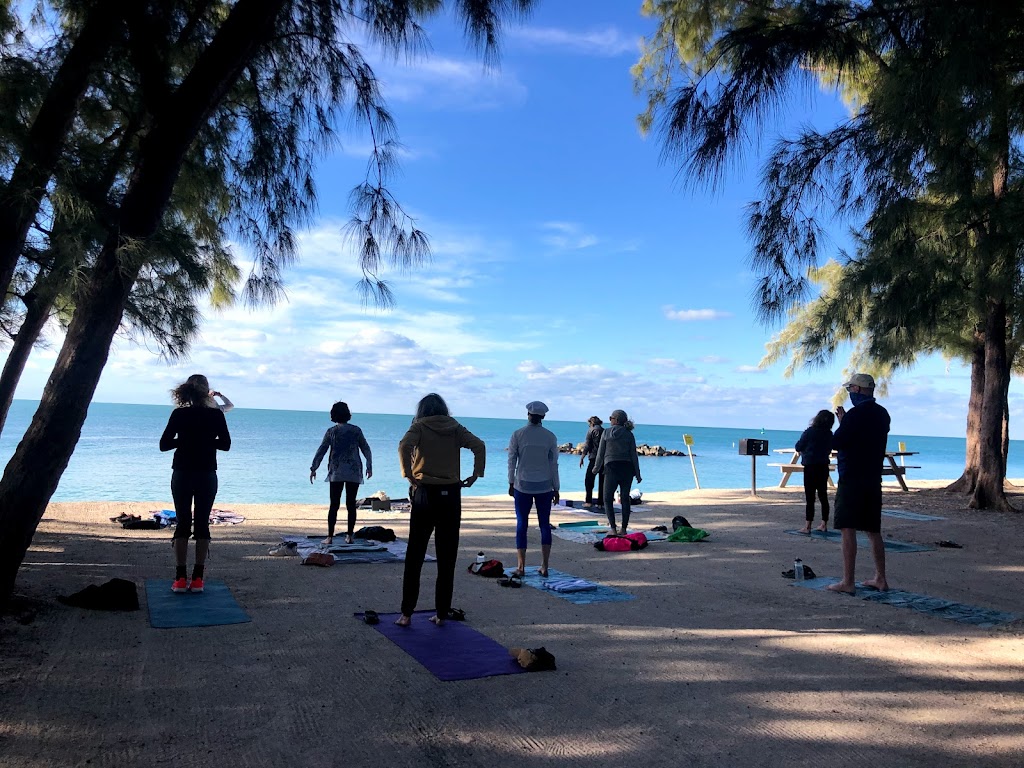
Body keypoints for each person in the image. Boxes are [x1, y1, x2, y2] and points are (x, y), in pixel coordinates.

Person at [396, 393, 486, 627]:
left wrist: (408, 474)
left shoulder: (419, 426)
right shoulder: (454, 427)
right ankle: (441, 613)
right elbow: (479, 445)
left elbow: (404, 446)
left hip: (425, 492)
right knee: (447, 557)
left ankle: (406, 614)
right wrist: (476, 474)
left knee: (415, 555)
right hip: (451, 494)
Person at [159, 374, 231, 594]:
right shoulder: (216, 415)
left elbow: (164, 445)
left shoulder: (179, 414)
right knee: (202, 524)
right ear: (207, 391)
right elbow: (226, 445)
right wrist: (206, 440)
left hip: (182, 472)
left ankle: (180, 578)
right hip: (207, 472)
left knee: (182, 522)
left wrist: (185, 440)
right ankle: (198, 578)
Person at [827, 373, 891, 594]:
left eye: (851, 389)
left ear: (859, 390)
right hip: (873, 477)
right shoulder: (883, 414)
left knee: (848, 528)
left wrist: (842, 424)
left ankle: (848, 581)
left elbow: (838, 442)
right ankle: (880, 578)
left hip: (852, 476)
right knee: (873, 530)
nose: (850, 393)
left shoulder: (854, 415)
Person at [507, 401, 560, 578]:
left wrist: (511, 482)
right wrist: (556, 487)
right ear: (543, 417)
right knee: (544, 524)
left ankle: (521, 567)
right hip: (545, 485)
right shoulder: (550, 436)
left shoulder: (518, 434)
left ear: (528, 415)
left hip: (523, 484)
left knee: (522, 523)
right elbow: (554, 464)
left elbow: (512, 460)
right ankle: (545, 566)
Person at [310, 401, 372, 545]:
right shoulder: (356, 430)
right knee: (351, 504)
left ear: (333, 415)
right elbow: (366, 448)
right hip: (353, 470)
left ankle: (330, 537)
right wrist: (369, 465)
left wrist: (314, 468)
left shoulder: (332, 432)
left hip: (336, 471)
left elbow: (322, 450)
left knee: (334, 505)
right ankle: (350, 536)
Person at [592, 409, 642, 535]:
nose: (610, 420)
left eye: (611, 418)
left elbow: (601, 453)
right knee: (625, 498)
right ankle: (624, 528)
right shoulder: (629, 434)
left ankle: (613, 528)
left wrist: (596, 468)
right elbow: (633, 455)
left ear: (616, 420)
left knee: (607, 498)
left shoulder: (607, 433)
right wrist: (638, 473)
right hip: (627, 468)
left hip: (611, 468)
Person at [795, 409, 835, 533]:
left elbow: (798, 446)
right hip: (823, 466)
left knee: (810, 497)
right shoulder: (829, 434)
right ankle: (824, 524)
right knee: (823, 496)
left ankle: (808, 526)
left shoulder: (809, 432)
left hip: (810, 466)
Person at [579, 416, 605, 508]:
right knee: (602, 481)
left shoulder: (591, 430)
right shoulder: (604, 431)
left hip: (594, 458)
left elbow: (587, 445)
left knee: (589, 480)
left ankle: (588, 501)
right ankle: (601, 503)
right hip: (604, 458)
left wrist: (582, 457)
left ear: (591, 423)